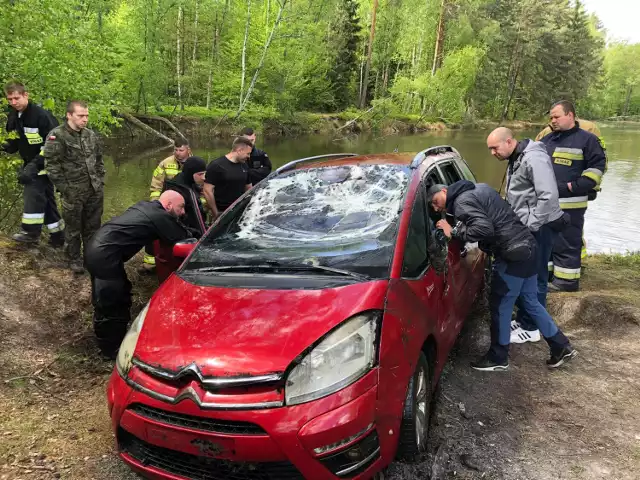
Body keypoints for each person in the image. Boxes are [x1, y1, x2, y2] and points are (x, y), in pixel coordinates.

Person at [428, 181, 577, 371]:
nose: (435, 206)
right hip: (529, 247)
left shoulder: (461, 202)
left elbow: (484, 229)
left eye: (435, 201)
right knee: (530, 301)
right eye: (432, 206)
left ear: (444, 191)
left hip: (512, 255)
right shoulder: (479, 187)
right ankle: (561, 346)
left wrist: (454, 231)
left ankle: (498, 356)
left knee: (500, 306)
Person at [487, 127, 568, 344]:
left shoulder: (534, 157)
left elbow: (548, 195)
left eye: (495, 148)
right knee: (527, 275)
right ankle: (524, 319)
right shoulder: (517, 157)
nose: (492, 153)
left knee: (537, 276)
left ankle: (531, 328)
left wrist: (531, 225)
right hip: (529, 226)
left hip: (541, 226)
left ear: (509, 141)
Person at [85, 191, 189, 357]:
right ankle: (111, 351)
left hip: (97, 249)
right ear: (168, 205)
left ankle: (111, 342)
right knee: (113, 301)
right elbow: (185, 240)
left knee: (116, 294)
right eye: (181, 207)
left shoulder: (145, 207)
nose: (183, 212)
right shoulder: (160, 216)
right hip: (104, 255)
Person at [539, 100, 607, 292]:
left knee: (567, 243)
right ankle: (551, 276)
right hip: (548, 204)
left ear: (570, 115)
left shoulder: (587, 140)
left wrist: (572, 187)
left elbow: (596, 170)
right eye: (551, 117)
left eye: (556, 116)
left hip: (571, 205)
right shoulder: (547, 140)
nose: (553, 120)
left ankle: (567, 282)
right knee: (549, 243)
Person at [42, 100, 105, 273]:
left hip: (94, 190)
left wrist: (100, 181)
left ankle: (91, 258)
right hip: (73, 192)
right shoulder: (57, 136)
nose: (85, 119)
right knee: (73, 228)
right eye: (80, 116)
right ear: (69, 115)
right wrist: (66, 189)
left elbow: (98, 160)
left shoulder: (90, 135)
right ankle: (73, 259)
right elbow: (52, 166)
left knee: (93, 228)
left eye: (86, 115)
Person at [2, 81, 65, 246]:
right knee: (47, 200)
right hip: (31, 161)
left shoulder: (42, 116)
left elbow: (54, 145)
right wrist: (7, 146)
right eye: (10, 99)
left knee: (33, 193)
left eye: (16, 98)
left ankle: (31, 233)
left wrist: (35, 166)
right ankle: (58, 236)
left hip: (48, 162)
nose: (13, 102)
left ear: (25, 95)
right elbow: (16, 139)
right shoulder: (15, 115)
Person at [143, 138, 192, 271]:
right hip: (167, 205)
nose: (177, 153)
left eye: (181, 150)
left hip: (186, 205)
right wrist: (156, 205)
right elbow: (156, 185)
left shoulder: (194, 163)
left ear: (188, 150)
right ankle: (150, 262)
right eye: (175, 150)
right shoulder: (165, 163)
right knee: (154, 230)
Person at [203, 136, 253, 219]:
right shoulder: (217, 165)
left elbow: (249, 188)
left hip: (240, 211)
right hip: (222, 211)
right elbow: (207, 190)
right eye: (248, 153)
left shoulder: (244, 165)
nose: (249, 156)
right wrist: (216, 213)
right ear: (239, 150)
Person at [163, 156, 208, 238]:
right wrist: (205, 236)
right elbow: (196, 219)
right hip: (189, 235)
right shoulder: (186, 191)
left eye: (205, 173)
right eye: (200, 174)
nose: (204, 177)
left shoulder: (179, 181)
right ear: (190, 173)